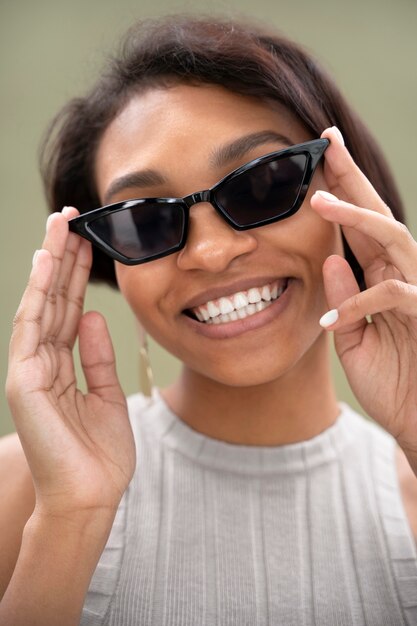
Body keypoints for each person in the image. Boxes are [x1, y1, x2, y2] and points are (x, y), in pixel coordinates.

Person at [1, 14, 417, 626]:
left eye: (263, 184)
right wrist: (72, 517)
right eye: (144, 221)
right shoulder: (26, 493)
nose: (212, 251)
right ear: (111, 262)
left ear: (350, 197)